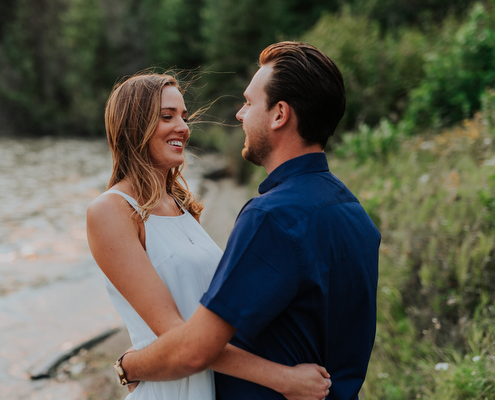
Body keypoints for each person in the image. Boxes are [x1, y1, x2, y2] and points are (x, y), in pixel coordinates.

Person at [117, 42, 381, 400]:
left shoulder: (270, 217)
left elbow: (195, 349)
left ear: (279, 114)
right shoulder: (355, 214)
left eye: (249, 103)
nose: (240, 115)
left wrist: (128, 366)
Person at [86, 72, 332, 400]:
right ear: (135, 126)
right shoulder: (110, 211)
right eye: (167, 116)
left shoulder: (183, 206)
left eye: (184, 117)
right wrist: (282, 379)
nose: (183, 128)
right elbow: (179, 336)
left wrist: (129, 364)